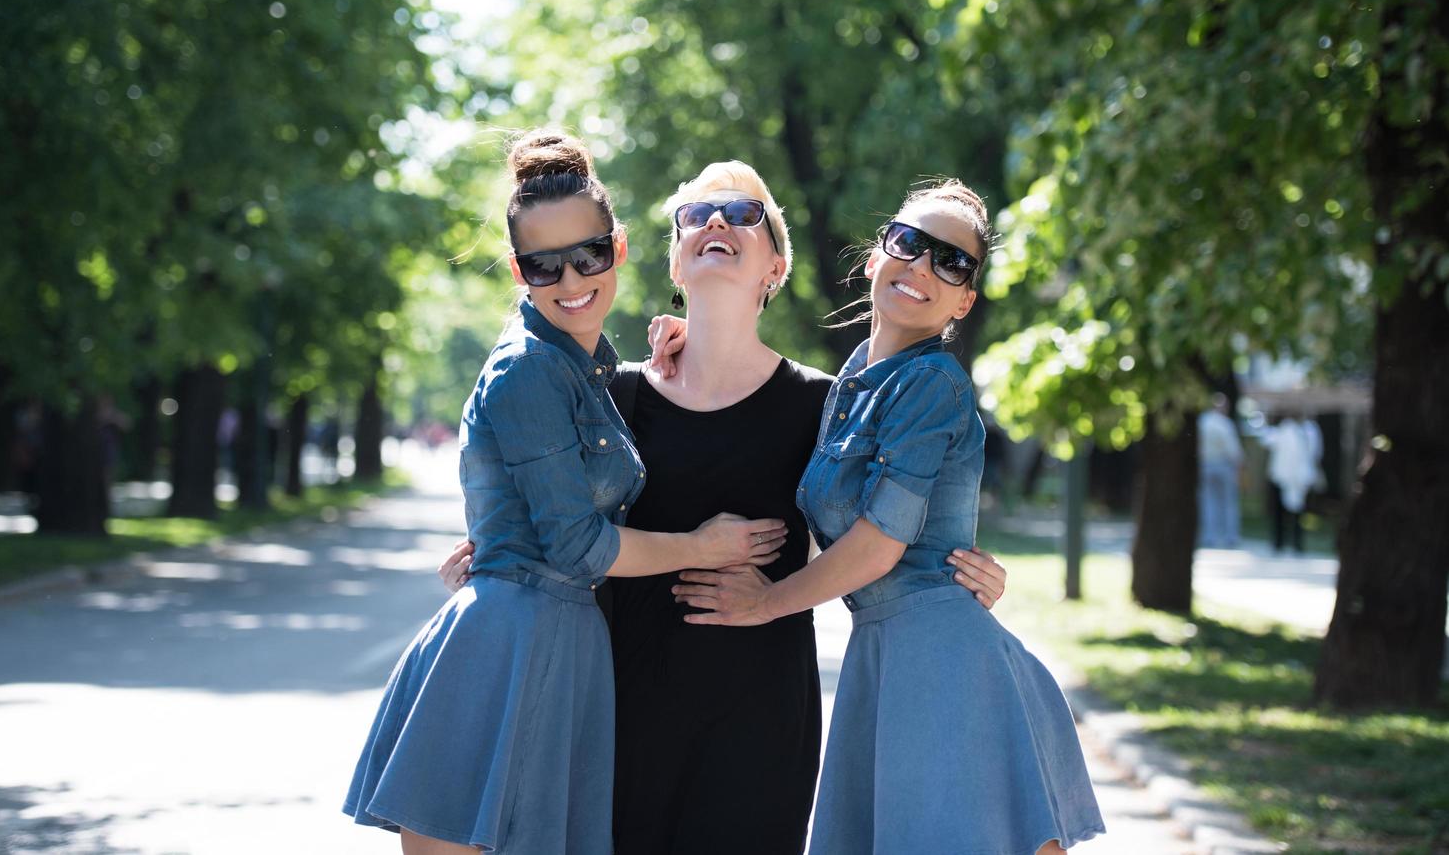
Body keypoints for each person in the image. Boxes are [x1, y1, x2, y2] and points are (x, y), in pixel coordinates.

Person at [438, 161, 1009, 854]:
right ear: (675, 263)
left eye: (744, 215)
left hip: (758, 721)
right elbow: (543, 513)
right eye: (696, 215)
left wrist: (964, 570)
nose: (717, 222)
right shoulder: (606, 397)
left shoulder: (825, 406)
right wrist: (489, 562)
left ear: (775, 266)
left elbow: (885, 530)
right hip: (613, 708)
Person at [343, 132, 786, 855]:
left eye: (587, 254)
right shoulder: (528, 371)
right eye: (543, 265)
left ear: (617, 248)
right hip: (508, 641)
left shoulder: (583, 369)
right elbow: (578, 545)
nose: (570, 277)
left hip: (564, 639)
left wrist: (683, 345)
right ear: (519, 271)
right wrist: (701, 548)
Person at [673, 180, 1105, 855]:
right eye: (908, 243)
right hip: (887, 652)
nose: (923, 266)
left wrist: (765, 604)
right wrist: (683, 342)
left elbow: (878, 546)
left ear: (964, 299)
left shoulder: (931, 383)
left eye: (951, 262)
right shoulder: (850, 384)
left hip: (942, 659)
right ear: (876, 257)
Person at [1264, 411, 1322, 553]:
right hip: (1283, 476)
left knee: (1298, 511)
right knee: (1281, 511)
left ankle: (1296, 543)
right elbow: (1266, 440)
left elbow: (1316, 452)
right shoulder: (1283, 429)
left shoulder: (1310, 430)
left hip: (1299, 476)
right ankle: (1280, 543)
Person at [1197, 393, 1244, 548]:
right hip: (1223, 465)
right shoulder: (1225, 424)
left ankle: (1209, 536)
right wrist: (1239, 465)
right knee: (1228, 503)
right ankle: (1230, 537)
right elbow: (1233, 449)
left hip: (1205, 464)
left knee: (1208, 501)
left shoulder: (1202, 422)